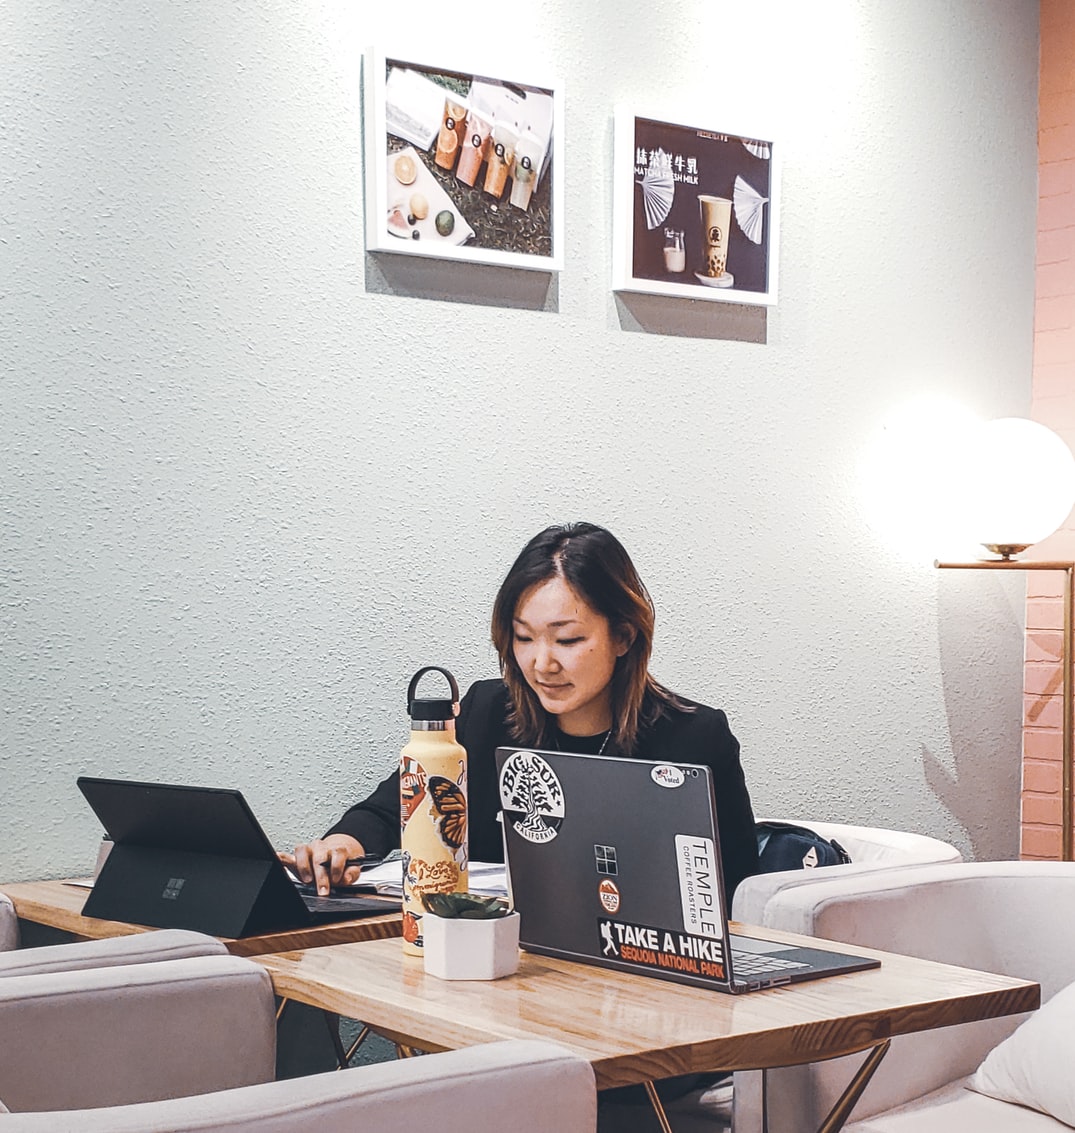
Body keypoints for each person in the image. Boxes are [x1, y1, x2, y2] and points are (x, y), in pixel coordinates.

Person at [284, 522, 758, 905]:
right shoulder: (486, 713)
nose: (541, 663)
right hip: (493, 966)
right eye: (523, 637)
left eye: (568, 639)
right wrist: (343, 844)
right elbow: (393, 811)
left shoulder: (695, 738)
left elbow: (738, 896)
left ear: (624, 637)